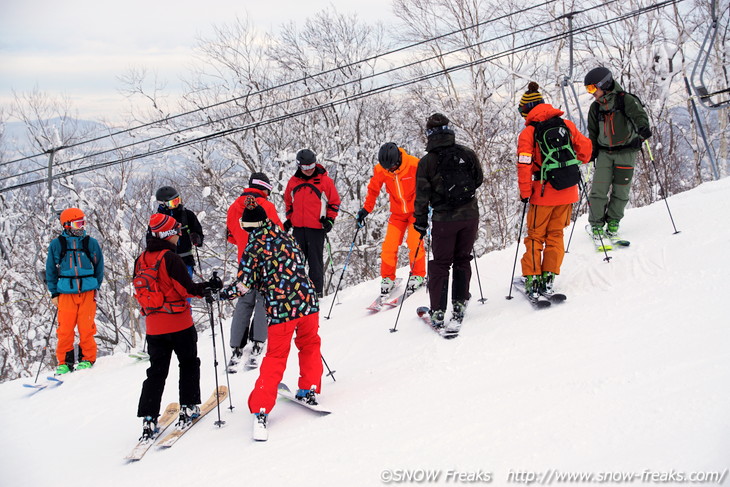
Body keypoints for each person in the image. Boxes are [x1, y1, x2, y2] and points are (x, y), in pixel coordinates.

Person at [218, 196, 322, 441]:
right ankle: (309, 388)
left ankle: (261, 406)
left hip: (282, 309)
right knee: (310, 345)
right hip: (307, 302)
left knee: (276, 357)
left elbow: (244, 284)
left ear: (249, 227)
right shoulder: (286, 236)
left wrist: (223, 293)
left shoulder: (254, 246)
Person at [134, 213, 220, 440]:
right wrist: (209, 287)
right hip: (179, 323)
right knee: (189, 363)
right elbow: (188, 289)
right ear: (166, 235)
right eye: (175, 231)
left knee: (156, 373)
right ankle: (188, 406)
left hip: (154, 327)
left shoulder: (141, 260)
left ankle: (149, 419)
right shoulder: (170, 259)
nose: (179, 234)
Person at [516, 82, 592, 298]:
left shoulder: (529, 133)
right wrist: (567, 165)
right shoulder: (566, 124)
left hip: (543, 193)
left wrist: (525, 193)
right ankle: (548, 278)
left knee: (535, 236)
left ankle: (532, 279)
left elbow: (524, 166)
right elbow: (586, 150)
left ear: (527, 110)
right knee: (556, 234)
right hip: (568, 190)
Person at [413, 113, 483, 330]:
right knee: (463, 259)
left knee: (441, 264)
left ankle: (438, 312)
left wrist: (420, 223)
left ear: (429, 134)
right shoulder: (467, 153)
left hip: (444, 220)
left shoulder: (427, 162)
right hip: (470, 216)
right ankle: (459, 304)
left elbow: (422, 196)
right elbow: (478, 180)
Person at [584, 66, 652, 238]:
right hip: (605, 154)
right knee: (598, 191)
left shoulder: (625, 100)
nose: (590, 92)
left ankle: (613, 222)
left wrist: (643, 130)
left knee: (621, 191)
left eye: (592, 88)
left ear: (604, 84)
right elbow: (592, 132)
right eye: (588, 89)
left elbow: (639, 116)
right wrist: (592, 151)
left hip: (627, 152)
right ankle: (596, 225)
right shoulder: (595, 108)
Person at [225, 172, 283, 366]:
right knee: (262, 301)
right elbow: (278, 233)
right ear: (264, 188)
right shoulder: (267, 206)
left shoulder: (234, 207)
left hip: (244, 260)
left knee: (244, 300)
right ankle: (258, 342)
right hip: (266, 261)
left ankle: (236, 345)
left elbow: (231, 235)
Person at [356, 142, 425, 296]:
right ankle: (388, 279)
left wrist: (429, 206)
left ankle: (418, 275)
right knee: (389, 246)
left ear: (398, 160)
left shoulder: (414, 165)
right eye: (387, 168)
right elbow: (373, 189)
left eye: (392, 167)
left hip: (416, 213)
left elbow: (428, 186)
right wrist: (366, 209)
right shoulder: (381, 169)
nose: (389, 171)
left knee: (414, 243)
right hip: (397, 214)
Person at [46, 208, 104, 374]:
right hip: (65, 292)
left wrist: (96, 286)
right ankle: (65, 362)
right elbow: (50, 270)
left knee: (87, 327)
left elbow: (99, 266)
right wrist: (54, 293)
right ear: (66, 225)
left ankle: (87, 358)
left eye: (83, 222)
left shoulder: (90, 243)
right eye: (78, 223)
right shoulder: (57, 245)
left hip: (87, 291)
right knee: (65, 329)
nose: (82, 226)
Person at [283, 149, 341, 297]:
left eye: (311, 166)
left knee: (315, 264)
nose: (309, 170)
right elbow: (288, 203)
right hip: (298, 229)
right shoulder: (293, 182)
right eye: (305, 167)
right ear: (299, 166)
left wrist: (330, 219)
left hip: (316, 228)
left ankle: (316, 294)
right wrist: (290, 219)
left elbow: (334, 202)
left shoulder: (324, 181)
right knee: (296, 262)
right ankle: (298, 293)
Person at [154, 186, 204, 277]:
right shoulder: (157, 221)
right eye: (173, 202)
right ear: (163, 204)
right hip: (166, 263)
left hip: (185, 260)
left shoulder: (187, 215)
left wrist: (197, 238)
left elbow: (199, 233)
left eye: (178, 200)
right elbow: (150, 241)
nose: (177, 204)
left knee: (185, 288)